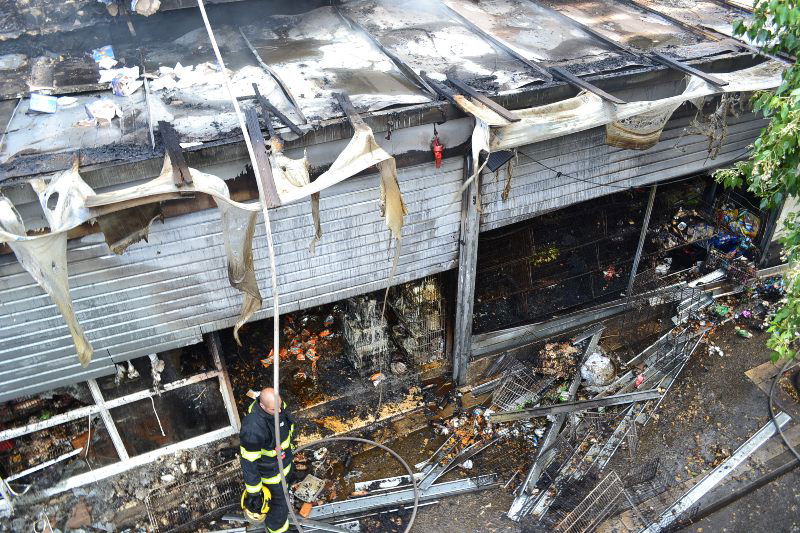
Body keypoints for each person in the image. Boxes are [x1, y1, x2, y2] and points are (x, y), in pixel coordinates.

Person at [239, 387, 295, 533]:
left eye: (280, 406)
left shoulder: (278, 407)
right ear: (262, 406)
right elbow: (248, 464)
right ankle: (277, 530)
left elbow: (288, 426)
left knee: (286, 494)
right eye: (273, 410)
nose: (278, 411)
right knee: (278, 512)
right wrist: (254, 493)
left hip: (285, 464)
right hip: (273, 477)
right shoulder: (253, 428)